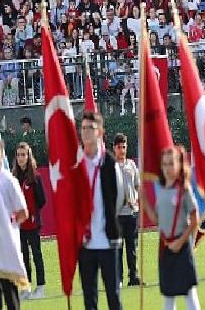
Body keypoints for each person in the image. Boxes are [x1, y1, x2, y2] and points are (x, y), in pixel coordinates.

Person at [141, 146, 201, 310]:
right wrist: (144, 201)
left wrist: (181, 241)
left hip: (182, 246)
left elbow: (195, 219)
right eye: (165, 164)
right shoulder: (162, 191)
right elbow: (157, 220)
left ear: (178, 165)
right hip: (165, 247)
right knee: (168, 295)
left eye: (171, 164)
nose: (167, 168)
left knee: (189, 293)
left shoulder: (184, 189)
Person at [78, 112, 125, 310]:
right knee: (90, 298)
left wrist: (108, 219)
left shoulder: (109, 163)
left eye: (91, 128)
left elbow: (119, 196)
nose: (86, 132)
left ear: (100, 132)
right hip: (85, 243)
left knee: (113, 295)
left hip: (108, 240)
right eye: (83, 128)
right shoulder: (76, 164)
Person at [0, 139, 28, 310]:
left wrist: (8, 220)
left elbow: (24, 212)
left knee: (10, 295)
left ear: (2, 155)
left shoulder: (8, 180)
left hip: (7, 247)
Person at [12, 142, 46, 300]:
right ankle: (26, 288)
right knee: (23, 256)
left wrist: (33, 214)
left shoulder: (36, 177)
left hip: (33, 223)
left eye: (23, 155)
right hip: (20, 225)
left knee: (37, 254)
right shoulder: (14, 178)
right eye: (18, 155)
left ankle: (41, 287)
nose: (21, 158)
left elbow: (42, 200)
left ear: (28, 156)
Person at [113, 133, 142, 286]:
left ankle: (133, 276)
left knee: (132, 247)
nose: (122, 150)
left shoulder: (131, 164)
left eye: (124, 146)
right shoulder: (112, 166)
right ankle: (118, 279)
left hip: (131, 212)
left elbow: (137, 185)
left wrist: (137, 200)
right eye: (119, 147)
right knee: (118, 248)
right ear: (114, 148)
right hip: (117, 214)